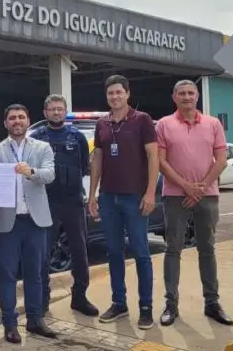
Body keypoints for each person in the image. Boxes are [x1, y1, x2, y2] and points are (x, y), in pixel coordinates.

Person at [155, 80, 233, 327]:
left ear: (197, 96)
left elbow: (221, 160)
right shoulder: (164, 124)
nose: (187, 97)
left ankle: (212, 303)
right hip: (174, 195)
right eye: (182, 93)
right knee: (173, 249)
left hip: (207, 195)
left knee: (207, 249)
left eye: (191, 93)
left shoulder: (213, 124)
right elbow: (161, 162)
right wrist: (186, 186)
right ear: (174, 97)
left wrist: (200, 188)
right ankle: (171, 304)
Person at [87, 74, 159, 329]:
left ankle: (146, 307)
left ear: (127, 93)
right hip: (108, 197)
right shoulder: (102, 124)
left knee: (141, 252)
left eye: (119, 92)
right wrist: (93, 194)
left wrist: (150, 193)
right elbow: (97, 159)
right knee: (114, 252)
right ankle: (119, 303)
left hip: (135, 197)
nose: (115, 96)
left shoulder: (142, 120)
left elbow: (153, 156)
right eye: (110, 93)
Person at [0, 104, 58, 344]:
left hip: (35, 221)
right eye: (12, 118)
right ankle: (10, 324)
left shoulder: (42, 147)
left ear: (28, 120)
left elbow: (50, 174)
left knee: (35, 273)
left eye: (21, 117)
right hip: (8, 222)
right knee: (6, 275)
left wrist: (31, 171)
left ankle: (35, 319)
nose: (17, 121)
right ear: (5, 123)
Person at [29, 94, 99, 317]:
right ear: (45, 112)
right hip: (45, 202)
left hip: (72, 202)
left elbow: (84, 167)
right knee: (43, 253)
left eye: (60, 109)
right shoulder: (37, 138)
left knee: (80, 251)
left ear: (65, 111)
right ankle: (42, 300)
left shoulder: (77, 137)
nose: (56, 112)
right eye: (52, 109)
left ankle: (79, 297)